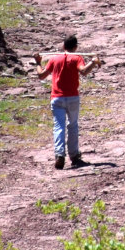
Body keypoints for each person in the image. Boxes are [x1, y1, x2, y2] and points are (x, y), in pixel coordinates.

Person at [33, 35, 99, 169]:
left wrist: (38, 62)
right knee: (73, 125)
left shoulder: (54, 58)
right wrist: (93, 62)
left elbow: (41, 76)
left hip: (56, 98)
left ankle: (59, 154)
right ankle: (74, 155)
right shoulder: (77, 58)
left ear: (63, 46)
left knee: (59, 126)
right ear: (76, 47)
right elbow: (84, 72)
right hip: (73, 97)